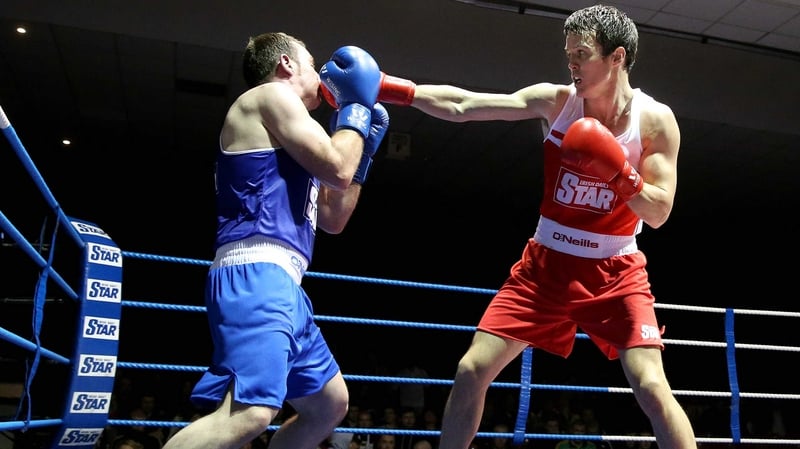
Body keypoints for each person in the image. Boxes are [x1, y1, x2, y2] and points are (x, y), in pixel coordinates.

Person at [354, 4, 696, 449]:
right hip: (545, 267)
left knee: (651, 386)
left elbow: (659, 211)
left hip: (614, 269)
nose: (571, 63)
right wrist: (387, 88)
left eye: (582, 53)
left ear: (617, 58)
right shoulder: (557, 102)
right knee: (471, 370)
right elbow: (465, 105)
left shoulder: (654, 122)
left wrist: (618, 169)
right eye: (568, 52)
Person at [162, 32, 390, 449]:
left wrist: (364, 152)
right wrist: (355, 112)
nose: (321, 72)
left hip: (286, 284)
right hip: (256, 271)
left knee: (329, 405)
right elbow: (338, 167)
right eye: (310, 61)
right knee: (250, 413)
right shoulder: (269, 96)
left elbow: (334, 218)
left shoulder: (294, 137)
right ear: (285, 65)